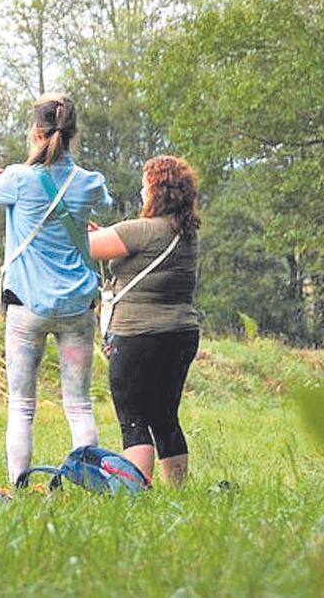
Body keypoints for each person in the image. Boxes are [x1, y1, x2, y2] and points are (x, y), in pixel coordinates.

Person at [0, 93, 112, 486]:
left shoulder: (18, 178)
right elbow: (106, 201)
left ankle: (18, 485)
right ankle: (90, 486)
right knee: (79, 406)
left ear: (35, 132)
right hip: (78, 306)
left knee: (22, 405)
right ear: (73, 134)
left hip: (27, 306)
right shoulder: (90, 181)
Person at [89, 155, 201, 486]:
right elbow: (121, 245)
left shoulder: (141, 230)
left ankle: (136, 491)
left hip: (138, 336)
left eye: (145, 185)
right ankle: (179, 492)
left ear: (157, 191)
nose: (141, 191)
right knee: (165, 416)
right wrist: (107, 235)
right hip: (182, 334)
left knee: (134, 419)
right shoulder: (188, 235)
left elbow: (85, 247)